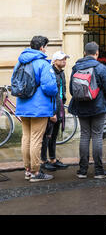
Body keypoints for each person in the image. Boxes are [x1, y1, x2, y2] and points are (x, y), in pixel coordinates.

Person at [13, 35, 58, 182]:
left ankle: (27, 170)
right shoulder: (43, 63)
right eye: (45, 47)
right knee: (36, 139)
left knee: (26, 137)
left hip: (23, 104)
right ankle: (36, 171)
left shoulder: (20, 61)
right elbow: (50, 88)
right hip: (39, 107)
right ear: (41, 48)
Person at [69, 41, 106, 179]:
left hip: (81, 106)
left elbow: (72, 90)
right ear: (97, 53)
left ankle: (82, 170)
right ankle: (99, 171)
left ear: (84, 53)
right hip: (98, 107)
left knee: (84, 135)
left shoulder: (76, 68)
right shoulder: (101, 68)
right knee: (97, 136)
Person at [41, 51, 69, 171]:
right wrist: (51, 112)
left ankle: (52, 159)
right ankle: (43, 160)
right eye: (62, 59)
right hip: (52, 109)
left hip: (59, 108)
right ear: (55, 61)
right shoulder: (50, 73)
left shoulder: (61, 73)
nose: (64, 61)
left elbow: (62, 92)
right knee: (46, 136)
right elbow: (48, 94)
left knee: (54, 136)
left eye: (65, 59)